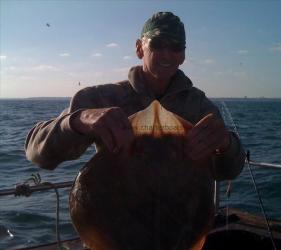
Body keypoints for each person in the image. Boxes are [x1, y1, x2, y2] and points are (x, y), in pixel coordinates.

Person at [25, 11, 245, 181]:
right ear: (140, 48)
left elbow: (230, 170)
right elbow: (37, 153)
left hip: (178, 229)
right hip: (118, 226)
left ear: (183, 55)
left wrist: (225, 144)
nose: (167, 54)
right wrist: (77, 121)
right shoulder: (103, 98)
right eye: (157, 44)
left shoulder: (199, 106)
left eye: (176, 46)